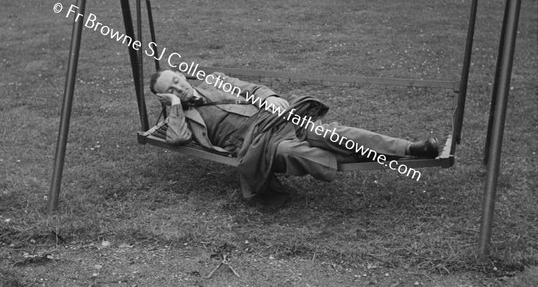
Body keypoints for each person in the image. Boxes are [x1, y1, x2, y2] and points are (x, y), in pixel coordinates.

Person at [150, 69, 440, 199]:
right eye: (171, 91)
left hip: (276, 118)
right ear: (165, 98)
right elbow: (176, 139)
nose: (180, 88)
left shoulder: (215, 81)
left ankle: (410, 148)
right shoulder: (180, 116)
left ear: (182, 74)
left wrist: (272, 96)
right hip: (256, 144)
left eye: (177, 81)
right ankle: (357, 152)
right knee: (292, 151)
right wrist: (176, 106)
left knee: (328, 132)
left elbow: (252, 89)